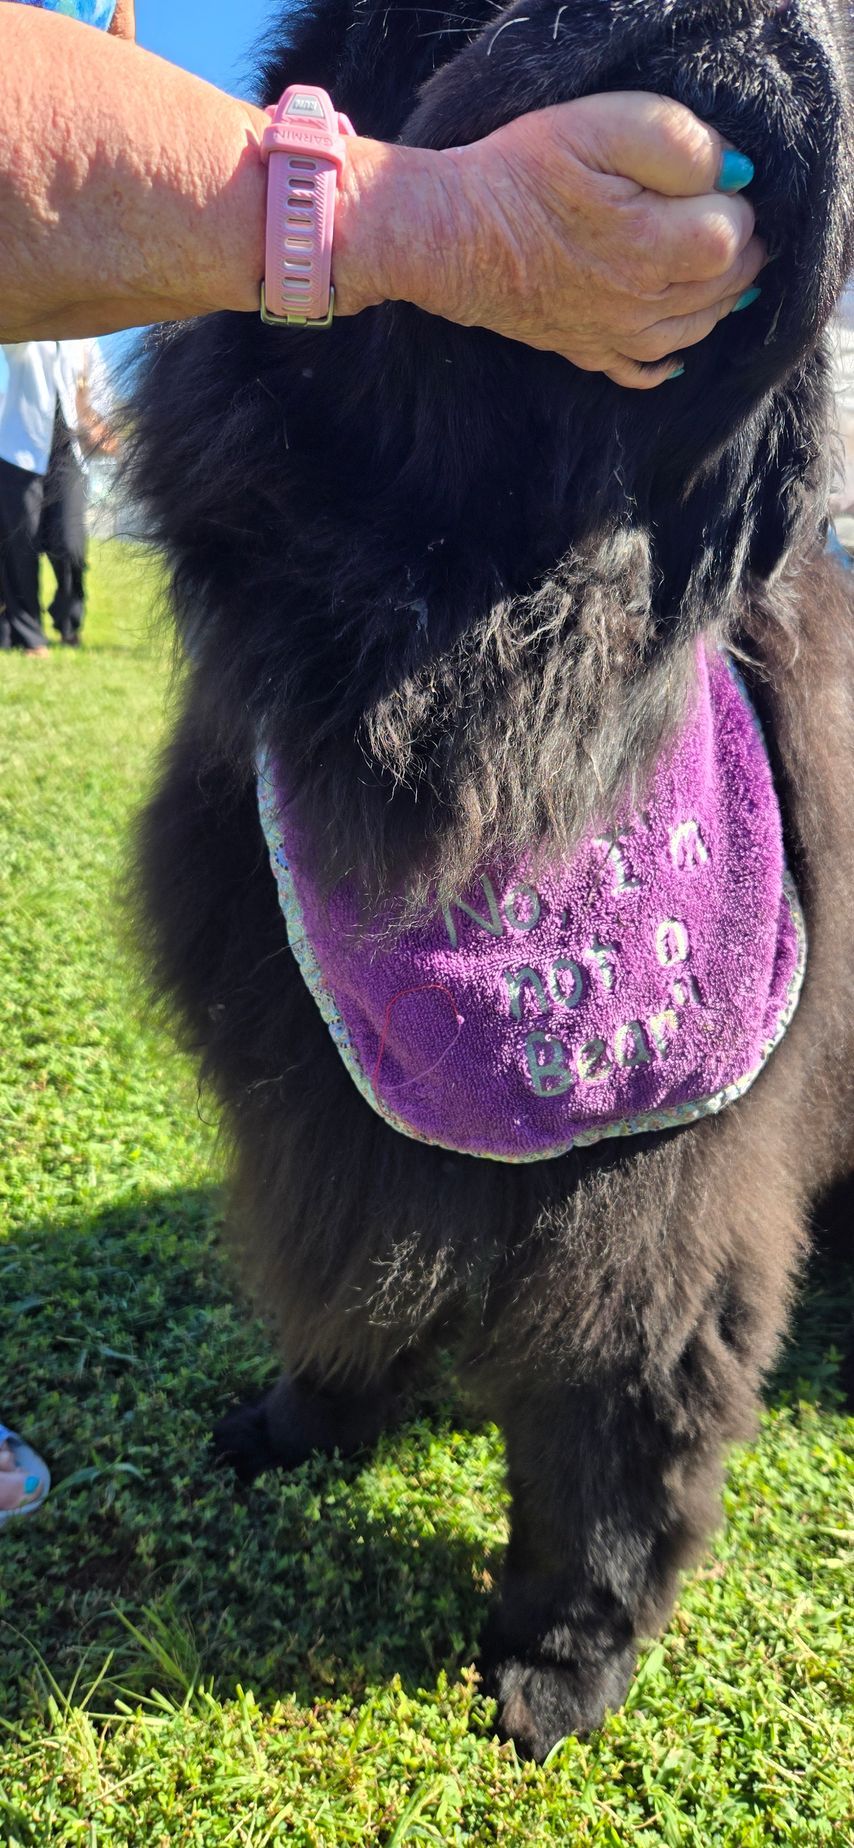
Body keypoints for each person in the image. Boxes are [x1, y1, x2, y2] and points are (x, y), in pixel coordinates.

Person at [0, 0, 763, 1508]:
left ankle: (585, 1565)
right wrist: (388, 217)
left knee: (644, 1198)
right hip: (323, 594)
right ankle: (344, 1357)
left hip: (613, 598)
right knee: (298, 1056)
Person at [0, 339, 114, 651]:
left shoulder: (86, 338)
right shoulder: (30, 331)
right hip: (17, 450)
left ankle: (69, 618)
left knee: (71, 543)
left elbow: (97, 392)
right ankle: (29, 635)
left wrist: (103, 430)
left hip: (68, 453)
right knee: (20, 545)